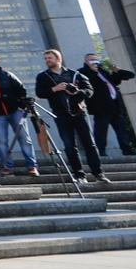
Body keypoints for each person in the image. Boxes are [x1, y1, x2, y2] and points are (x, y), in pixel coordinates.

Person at [36, 49, 108, 183]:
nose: (47, 61)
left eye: (50, 58)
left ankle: (98, 173)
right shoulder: (43, 76)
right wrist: (54, 89)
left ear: (58, 59)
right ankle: (79, 175)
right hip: (60, 113)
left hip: (79, 112)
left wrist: (77, 92)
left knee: (90, 144)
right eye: (46, 58)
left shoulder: (74, 74)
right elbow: (39, 93)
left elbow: (89, 90)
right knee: (69, 145)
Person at [80, 53, 135, 157]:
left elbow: (121, 79)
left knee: (121, 129)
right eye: (92, 60)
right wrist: (92, 71)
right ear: (86, 61)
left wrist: (116, 71)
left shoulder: (103, 71)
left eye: (96, 60)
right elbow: (85, 85)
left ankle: (127, 149)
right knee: (101, 131)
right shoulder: (83, 72)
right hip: (100, 107)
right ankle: (100, 151)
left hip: (115, 105)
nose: (94, 62)